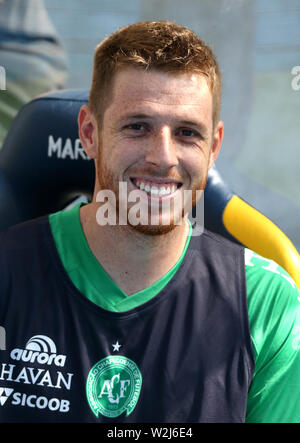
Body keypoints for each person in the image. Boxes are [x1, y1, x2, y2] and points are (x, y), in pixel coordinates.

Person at [0, 20, 300, 424]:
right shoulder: (7, 272)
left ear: (214, 147)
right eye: (137, 126)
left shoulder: (268, 307)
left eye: (187, 133)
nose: (163, 157)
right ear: (89, 133)